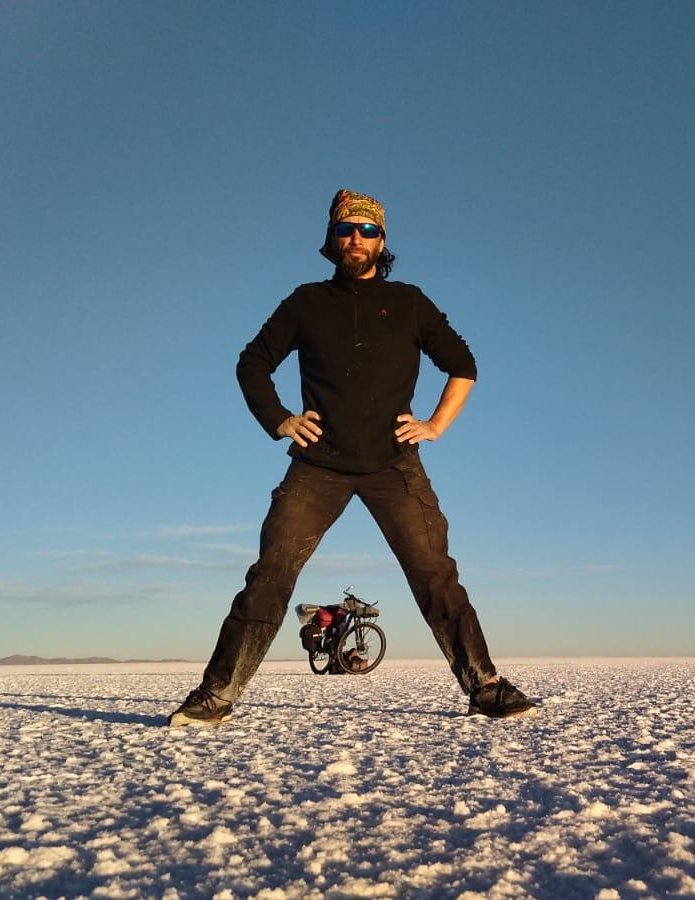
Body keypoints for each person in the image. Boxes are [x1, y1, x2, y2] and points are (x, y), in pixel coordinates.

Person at [169, 189, 536, 725]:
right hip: (318, 465)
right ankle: (217, 693)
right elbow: (252, 364)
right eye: (346, 230)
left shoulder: (409, 302)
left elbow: (463, 365)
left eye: (367, 230)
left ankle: (485, 685)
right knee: (271, 573)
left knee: (435, 574)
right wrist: (281, 420)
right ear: (331, 239)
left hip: (394, 464)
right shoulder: (306, 303)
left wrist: (434, 425)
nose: (356, 239)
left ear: (382, 240)